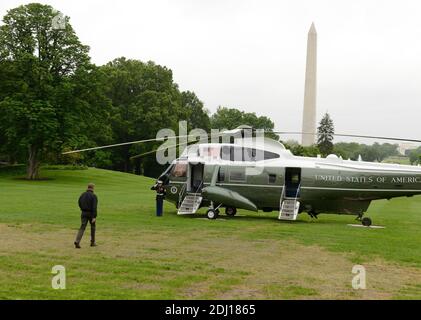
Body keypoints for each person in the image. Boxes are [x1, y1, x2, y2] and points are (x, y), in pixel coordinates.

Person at [74, 183, 98, 248]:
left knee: (82, 227)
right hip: (91, 214)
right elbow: (94, 207)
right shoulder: (94, 196)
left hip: (83, 213)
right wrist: (94, 217)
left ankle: (77, 241)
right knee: (93, 227)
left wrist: (82, 209)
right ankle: (92, 242)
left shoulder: (82, 195)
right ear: (93, 188)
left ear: (87, 187)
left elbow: (79, 202)